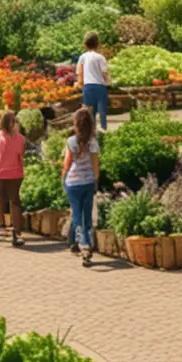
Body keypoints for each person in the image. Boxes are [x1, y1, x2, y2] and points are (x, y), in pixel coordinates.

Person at [63, 106, 102, 267]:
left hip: (72, 182)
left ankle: (81, 245)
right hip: (87, 183)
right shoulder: (93, 143)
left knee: (77, 215)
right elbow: (95, 166)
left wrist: (63, 179)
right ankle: (83, 244)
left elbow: (66, 164)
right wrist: (94, 179)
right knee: (86, 216)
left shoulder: (71, 141)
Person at [0, 109, 28, 246]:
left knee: (1, 201)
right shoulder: (20, 139)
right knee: (15, 202)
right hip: (15, 173)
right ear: (12, 123)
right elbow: (21, 155)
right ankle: (16, 232)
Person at [77, 32, 112, 130]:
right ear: (98, 44)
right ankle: (104, 130)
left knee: (89, 112)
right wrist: (108, 82)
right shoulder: (100, 57)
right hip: (100, 87)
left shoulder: (82, 57)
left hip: (88, 87)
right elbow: (104, 73)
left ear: (85, 45)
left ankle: (92, 133)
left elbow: (80, 73)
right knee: (102, 112)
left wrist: (80, 85)